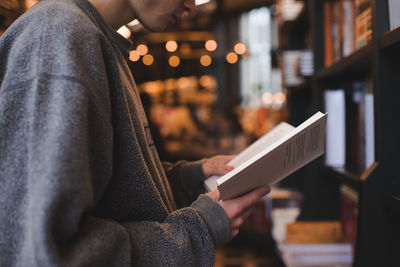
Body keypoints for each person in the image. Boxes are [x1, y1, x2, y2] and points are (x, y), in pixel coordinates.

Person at [0, 0, 270, 266]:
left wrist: (189, 179)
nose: (192, 6)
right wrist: (198, 231)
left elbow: (109, 194)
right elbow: (46, 251)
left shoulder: (89, 37)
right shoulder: (60, 38)